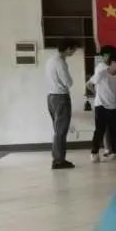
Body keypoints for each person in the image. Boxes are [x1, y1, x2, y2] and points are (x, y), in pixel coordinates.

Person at [46, 38, 80, 170]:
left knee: (57, 130)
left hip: (51, 97)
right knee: (61, 131)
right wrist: (70, 82)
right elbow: (68, 82)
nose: (73, 52)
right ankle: (59, 161)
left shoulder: (50, 60)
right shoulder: (60, 62)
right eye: (73, 49)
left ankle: (58, 159)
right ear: (68, 48)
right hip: (61, 97)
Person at [89, 53, 116, 163]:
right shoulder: (101, 74)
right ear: (113, 62)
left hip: (114, 106)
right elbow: (89, 84)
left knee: (115, 130)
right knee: (99, 130)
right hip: (101, 106)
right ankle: (94, 153)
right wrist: (96, 95)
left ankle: (115, 152)